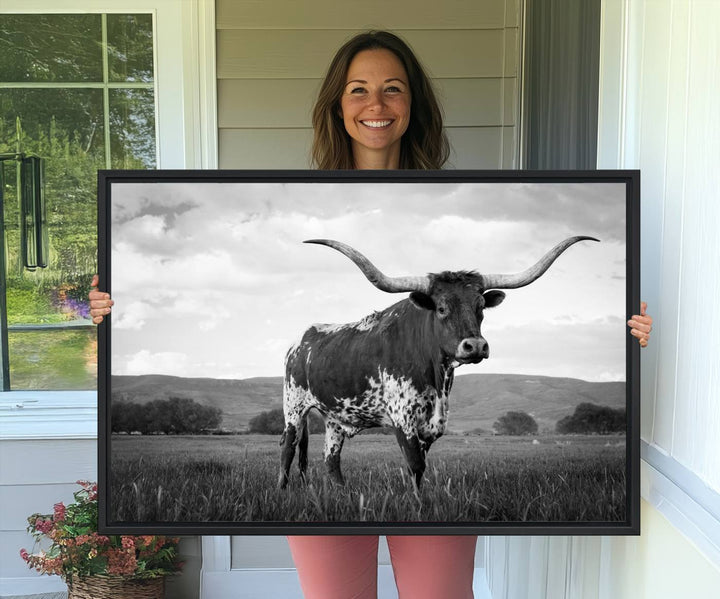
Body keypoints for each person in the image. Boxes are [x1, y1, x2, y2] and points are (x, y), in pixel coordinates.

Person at [90, 30, 653, 599]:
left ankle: (408, 485)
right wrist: (111, 307)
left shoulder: (469, 196)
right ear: (338, 104)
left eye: (393, 89)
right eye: (358, 90)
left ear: (414, 105)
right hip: (327, 371)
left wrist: (630, 332)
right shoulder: (287, 195)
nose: (376, 105)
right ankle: (302, 477)